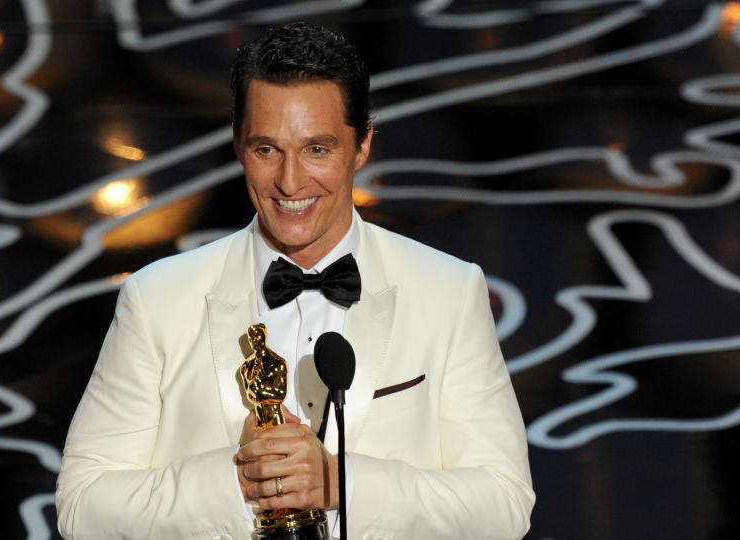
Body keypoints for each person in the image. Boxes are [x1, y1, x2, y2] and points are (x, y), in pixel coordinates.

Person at [55, 22, 535, 539]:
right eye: (267, 150)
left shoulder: (448, 292)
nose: (290, 181)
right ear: (239, 146)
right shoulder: (156, 299)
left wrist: (339, 483)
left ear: (363, 145)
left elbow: (504, 504)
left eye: (317, 150)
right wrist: (240, 481)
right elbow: (82, 508)